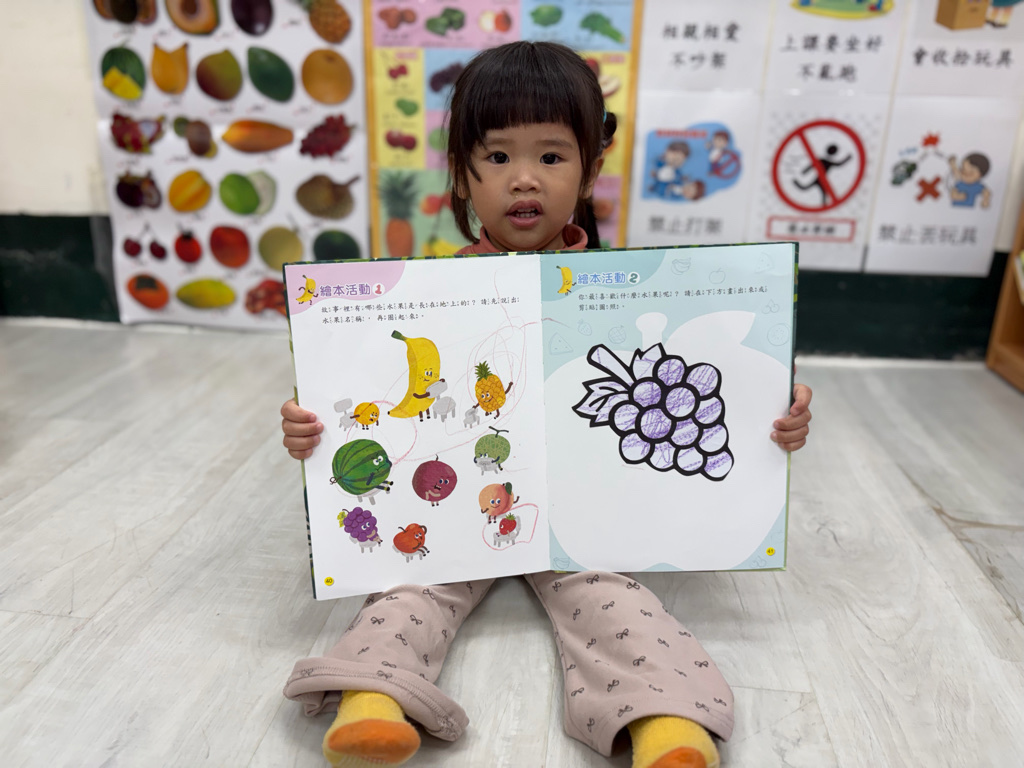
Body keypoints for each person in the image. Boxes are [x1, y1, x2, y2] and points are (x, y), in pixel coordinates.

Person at [280, 41, 814, 768]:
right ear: (461, 176)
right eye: (497, 156)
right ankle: (371, 702)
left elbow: (686, 391)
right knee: (410, 586)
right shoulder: (417, 301)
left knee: (610, 596)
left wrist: (769, 413)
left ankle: (665, 722)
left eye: (552, 157)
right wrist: (314, 426)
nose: (524, 177)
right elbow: (375, 400)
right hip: (456, 499)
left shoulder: (633, 296)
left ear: (590, 171)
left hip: (585, 505)